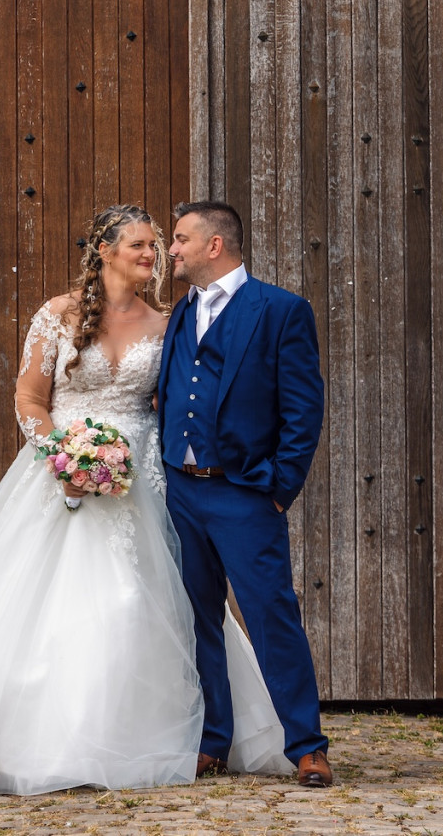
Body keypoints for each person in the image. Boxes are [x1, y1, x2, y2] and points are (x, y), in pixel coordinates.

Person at [0, 205, 289, 796]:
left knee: (146, 598)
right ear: (105, 251)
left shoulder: (170, 322)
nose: (154, 255)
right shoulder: (56, 315)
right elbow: (29, 397)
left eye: (157, 245)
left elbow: (178, 404)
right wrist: (63, 457)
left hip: (142, 478)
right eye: (141, 245)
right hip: (60, 470)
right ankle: (26, 731)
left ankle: (159, 729)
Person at [159, 200, 333, 787]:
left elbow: (304, 408)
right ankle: (213, 740)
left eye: (181, 239)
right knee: (198, 619)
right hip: (180, 492)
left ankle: (307, 746)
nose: (171, 249)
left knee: (269, 614)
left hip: (244, 494)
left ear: (214, 245)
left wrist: (279, 489)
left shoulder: (280, 310)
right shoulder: (181, 312)